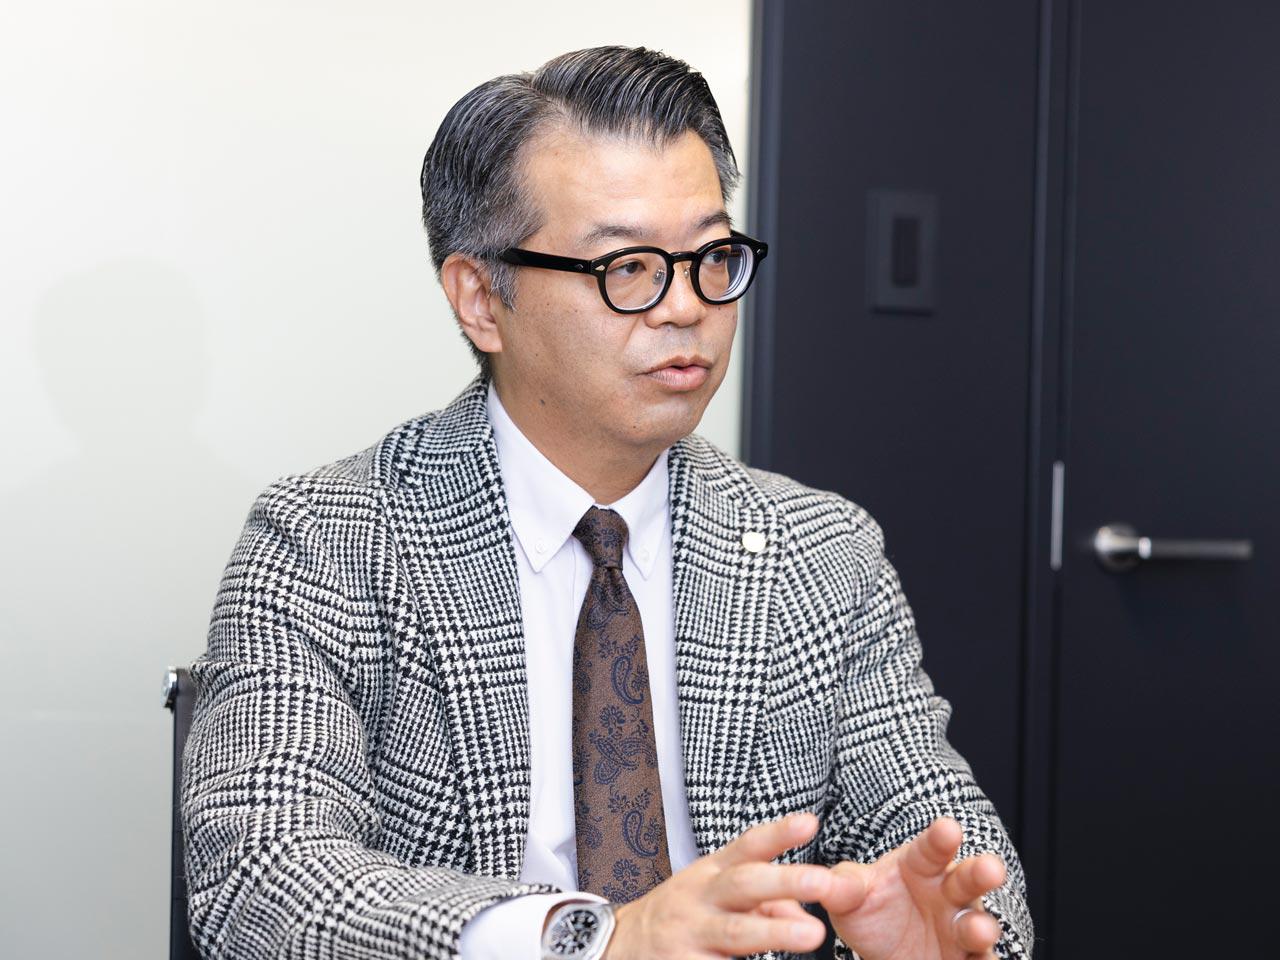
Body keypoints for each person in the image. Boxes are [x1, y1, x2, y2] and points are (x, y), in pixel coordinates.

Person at [182, 45, 1033, 960]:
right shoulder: (325, 542)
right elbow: (260, 875)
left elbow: (943, 839)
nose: (686, 307)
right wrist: (600, 940)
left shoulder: (821, 552)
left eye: (711, 256)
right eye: (627, 266)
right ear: (481, 299)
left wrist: (956, 933)